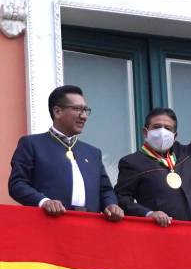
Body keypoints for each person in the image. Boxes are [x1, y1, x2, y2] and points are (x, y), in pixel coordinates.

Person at [115, 63, 191, 227]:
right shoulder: (132, 163)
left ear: (175, 135)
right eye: (156, 127)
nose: (162, 131)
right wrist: (148, 213)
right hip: (165, 236)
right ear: (145, 132)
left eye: (168, 128)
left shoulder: (187, 153)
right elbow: (121, 199)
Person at [9, 85, 123, 221]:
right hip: (48, 224)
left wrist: (111, 205)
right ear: (57, 112)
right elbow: (17, 184)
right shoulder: (32, 144)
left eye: (86, 110)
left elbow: (105, 190)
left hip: (89, 228)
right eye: (77, 109)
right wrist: (44, 202)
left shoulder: (93, 152)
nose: (84, 116)